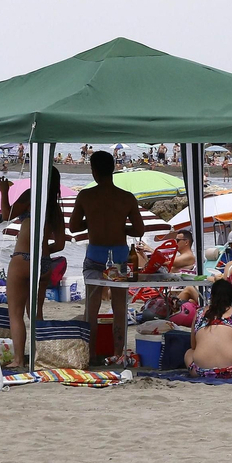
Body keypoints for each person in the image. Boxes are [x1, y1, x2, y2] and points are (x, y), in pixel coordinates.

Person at [72, 151, 146, 363]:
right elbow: (139, 229)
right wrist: (120, 227)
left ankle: (91, 354)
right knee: (120, 307)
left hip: (95, 255)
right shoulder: (126, 198)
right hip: (121, 257)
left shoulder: (85, 196)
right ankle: (118, 353)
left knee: (92, 308)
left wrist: (92, 223)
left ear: (94, 172)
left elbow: (74, 226)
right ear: (113, 169)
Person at [0, 169, 67, 368]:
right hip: (43, 262)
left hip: (22, 259)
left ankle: (19, 359)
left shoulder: (31, 196)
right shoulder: (55, 208)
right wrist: (43, 250)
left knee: (16, 313)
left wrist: (3, 191)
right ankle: (38, 358)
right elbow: (60, 244)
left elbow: (5, 214)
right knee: (36, 313)